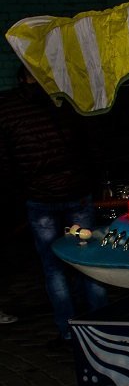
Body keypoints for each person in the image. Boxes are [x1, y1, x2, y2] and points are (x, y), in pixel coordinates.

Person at [0, 66, 107, 345]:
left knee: (53, 266)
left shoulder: (8, 107)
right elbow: (91, 143)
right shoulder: (66, 100)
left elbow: (6, 159)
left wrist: (21, 191)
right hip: (76, 190)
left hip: (40, 197)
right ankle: (102, 324)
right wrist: (92, 180)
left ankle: (68, 330)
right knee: (89, 258)